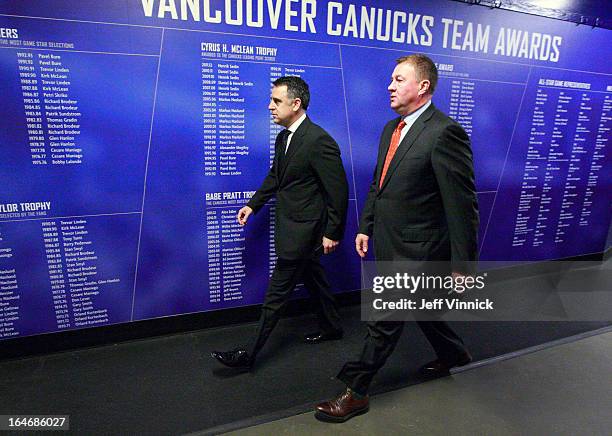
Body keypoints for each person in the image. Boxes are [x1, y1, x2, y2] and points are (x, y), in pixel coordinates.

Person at [315, 54, 479, 422]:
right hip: (389, 242)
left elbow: (462, 205)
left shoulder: (444, 132)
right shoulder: (393, 128)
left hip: (420, 250)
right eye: (391, 78)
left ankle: (355, 392)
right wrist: (365, 225)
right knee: (421, 308)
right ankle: (455, 353)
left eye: (398, 79)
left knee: (385, 318)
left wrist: (462, 265)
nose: (389, 85)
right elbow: (380, 183)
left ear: (423, 86)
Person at [211, 76, 349, 369]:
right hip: (292, 225)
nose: (269, 106)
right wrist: (253, 204)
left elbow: (338, 191)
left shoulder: (319, 141)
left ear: (295, 104)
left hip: (304, 230)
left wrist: (332, 231)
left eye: (276, 101)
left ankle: (249, 354)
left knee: (276, 295)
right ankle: (333, 326)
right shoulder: (284, 137)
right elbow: (277, 176)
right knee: (315, 278)